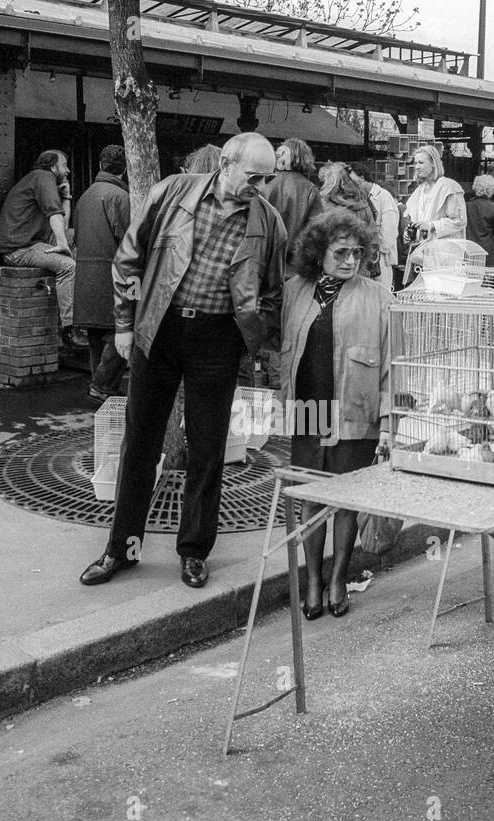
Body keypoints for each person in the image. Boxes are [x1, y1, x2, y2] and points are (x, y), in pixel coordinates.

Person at [79, 133, 286, 590]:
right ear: (227, 164)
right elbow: (128, 260)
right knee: (140, 443)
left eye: (267, 178)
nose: (261, 186)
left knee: (208, 449)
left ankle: (193, 551)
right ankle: (121, 549)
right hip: (161, 328)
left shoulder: (269, 221)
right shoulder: (173, 191)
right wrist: (125, 326)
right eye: (254, 176)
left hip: (218, 338)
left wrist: (248, 338)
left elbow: (272, 291)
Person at [280, 210, 391, 618]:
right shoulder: (295, 290)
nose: (350, 261)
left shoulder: (379, 296)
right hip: (308, 409)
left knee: (346, 500)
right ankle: (312, 579)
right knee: (311, 498)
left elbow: (391, 367)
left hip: (355, 410)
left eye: (357, 253)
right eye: (340, 252)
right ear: (318, 253)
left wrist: (389, 423)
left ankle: (339, 577)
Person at [0, 150, 76, 336]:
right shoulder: (43, 176)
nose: (68, 170)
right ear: (53, 166)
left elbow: (62, 227)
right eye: (64, 165)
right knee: (68, 266)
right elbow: (53, 213)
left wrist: (67, 198)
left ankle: (71, 302)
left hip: (32, 245)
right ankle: (71, 328)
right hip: (18, 249)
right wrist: (62, 245)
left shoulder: (42, 180)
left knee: (76, 236)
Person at [73, 145, 130, 403]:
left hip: (87, 276)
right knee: (121, 336)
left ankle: (101, 389)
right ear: (126, 168)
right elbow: (129, 241)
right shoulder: (120, 197)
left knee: (97, 337)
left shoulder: (86, 196)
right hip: (113, 276)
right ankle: (102, 385)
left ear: (100, 165)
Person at [401, 144, 465, 283]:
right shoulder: (419, 190)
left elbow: (460, 221)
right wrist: (410, 232)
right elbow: (416, 220)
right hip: (422, 257)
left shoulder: (449, 187)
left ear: (433, 164)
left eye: (421, 162)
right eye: (415, 162)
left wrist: (432, 225)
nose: (417, 166)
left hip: (445, 256)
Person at [262, 138, 320, 272]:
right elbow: (317, 232)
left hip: (265, 262)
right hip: (295, 266)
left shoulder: (265, 185)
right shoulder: (310, 190)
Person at [348, 161, 399, 288]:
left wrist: (375, 250)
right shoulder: (358, 197)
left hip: (381, 259)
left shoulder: (384, 196)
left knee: (381, 297)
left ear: (362, 177)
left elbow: (389, 234)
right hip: (365, 258)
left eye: (352, 180)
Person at [465, 174, 494, 268]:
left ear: (475, 187)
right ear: (492, 189)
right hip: (489, 256)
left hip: (470, 253)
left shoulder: (466, 206)